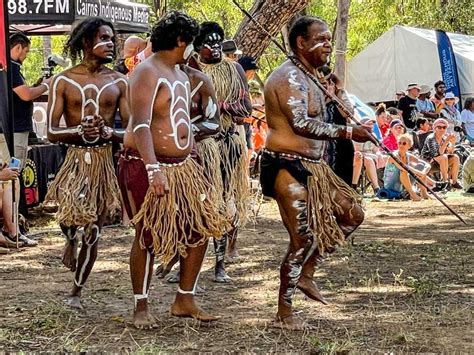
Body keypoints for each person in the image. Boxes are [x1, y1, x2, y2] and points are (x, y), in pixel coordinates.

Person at [260, 16, 373, 330]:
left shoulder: (312, 78)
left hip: (315, 166)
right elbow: (300, 124)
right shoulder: (288, 78)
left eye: (328, 39)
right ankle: (284, 313)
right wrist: (350, 133)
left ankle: (307, 273)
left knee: (352, 214)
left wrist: (337, 96)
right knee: (302, 236)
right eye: (321, 39)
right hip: (285, 164)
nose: (327, 45)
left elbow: (333, 112)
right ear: (301, 42)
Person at [118, 11, 226, 328]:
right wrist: (153, 170)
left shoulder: (180, 74)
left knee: (199, 230)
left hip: (183, 166)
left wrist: (193, 159)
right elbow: (139, 125)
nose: (194, 48)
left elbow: (183, 122)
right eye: (191, 41)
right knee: (147, 234)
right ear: (181, 41)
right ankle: (141, 306)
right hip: (145, 163)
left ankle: (184, 299)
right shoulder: (146, 72)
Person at [45, 17, 129, 309]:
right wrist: (78, 131)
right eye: (104, 38)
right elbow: (51, 132)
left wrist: (108, 132)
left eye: (112, 39)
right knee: (69, 220)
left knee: (93, 231)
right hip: (73, 161)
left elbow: (130, 131)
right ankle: (69, 236)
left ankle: (75, 293)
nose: (110, 44)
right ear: (85, 41)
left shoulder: (120, 82)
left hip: (104, 163)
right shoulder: (63, 81)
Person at [194, 21, 252, 278]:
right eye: (209, 45)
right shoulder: (190, 70)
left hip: (227, 144)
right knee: (195, 202)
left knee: (224, 201)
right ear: (197, 48)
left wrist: (220, 107)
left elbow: (246, 108)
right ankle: (185, 261)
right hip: (198, 146)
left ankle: (219, 264)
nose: (216, 49)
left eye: (219, 44)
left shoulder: (234, 69)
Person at [9, 32, 51, 171]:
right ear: (18, 48)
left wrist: (36, 86)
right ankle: (14, 192)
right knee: (14, 169)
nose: (26, 56)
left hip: (14, 129)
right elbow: (26, 95)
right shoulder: (11, 68)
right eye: (26, 51)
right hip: (16, 130)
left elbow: (20, 92)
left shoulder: (10, 68)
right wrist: (46, 85)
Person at [383, 133, 431, 201]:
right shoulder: (394, 155)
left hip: (403, 183)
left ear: (409, 146)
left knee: (421, 166)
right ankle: (413, 194)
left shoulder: (408, 155)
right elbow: (403, 167)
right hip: (391, 184)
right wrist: (419, 172)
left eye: (404, 143)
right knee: (404, 171)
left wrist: (423, 172)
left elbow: (427, 165)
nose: (401, 145)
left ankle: (424, 193)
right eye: (399, 143)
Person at [421, 118, 461, 189]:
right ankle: (445, 182)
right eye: (439, 127)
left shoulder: (444, 138)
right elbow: (437, 154)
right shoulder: (431, 138)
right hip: (427, 163)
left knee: (455, 157)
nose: (442, 129)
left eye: (444, 127)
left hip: (439, 162)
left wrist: (453, 142)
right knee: (444, 157)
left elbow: (450, 152)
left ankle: (454, 182)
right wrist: (447, 141)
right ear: (435, 128)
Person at [352, 118, 384, 194]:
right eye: (369, 124)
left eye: (372, 124)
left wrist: (379, 155)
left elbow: (376, 150)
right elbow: (357, 151)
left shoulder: (373, 135)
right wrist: (374, 156)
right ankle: (376, 188)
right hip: (359, 158)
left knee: (385, 158)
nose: (371, 126)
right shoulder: (357, 135)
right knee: (367, 159)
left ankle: (384, 187)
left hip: (371, 157)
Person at [238, 56, 260, 158]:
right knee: (243, 152)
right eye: (252, 70)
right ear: (245, 70)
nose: (253, 73)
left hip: (248, 124)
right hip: (240, 124)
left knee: (250, 150)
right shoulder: (237, 84)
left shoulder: (246, 85)